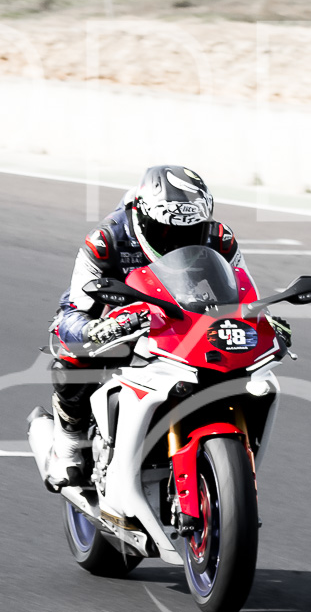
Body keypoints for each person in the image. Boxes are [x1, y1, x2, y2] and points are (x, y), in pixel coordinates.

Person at [43, 164, 240, 486]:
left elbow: (240, 292)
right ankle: (67, 445)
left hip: (187, 318)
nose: (177, 240)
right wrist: (96, 329)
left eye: (190, 232)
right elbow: (74, 309)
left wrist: (264, 320)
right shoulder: (107, 239)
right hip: (119, 315)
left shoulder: (220, 238)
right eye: (166, 231)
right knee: (74, 351)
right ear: (143, 216)